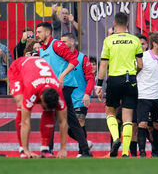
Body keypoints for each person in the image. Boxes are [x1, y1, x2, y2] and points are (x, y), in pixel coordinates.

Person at [36, 21, 93, 157]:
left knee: (51, 113)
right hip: (55, 86)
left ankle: (47, 150)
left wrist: (62, 76)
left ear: (48, 32)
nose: (37, 34)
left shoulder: (56, 44)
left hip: (65, 85)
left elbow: (74, 61)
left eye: (39, 32)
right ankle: (85, 150)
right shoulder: (42, 49)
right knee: (72, 120)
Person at [95, 12, 143, 157]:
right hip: (130, 80)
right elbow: (140, 64)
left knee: (110, 113)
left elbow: (103, 65)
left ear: (114, 24)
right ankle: (125, 152)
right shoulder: (135, 40)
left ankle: (116, 138)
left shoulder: (109, 40)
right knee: (128, 118)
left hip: (114, 80)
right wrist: (134, 73)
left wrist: (99, 85)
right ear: (127, 24)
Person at [8, 56, 68, 158]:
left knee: (48, 111)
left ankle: (45, 149)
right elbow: (25, 122)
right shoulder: (32, 90)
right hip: (17, 69)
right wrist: (27, 150)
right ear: (40, 97)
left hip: (35, 74)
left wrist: (63, 149)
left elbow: (63, 122)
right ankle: (22, 149)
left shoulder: (58, 91)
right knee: (20, 105)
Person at [60, 33, 95, 157]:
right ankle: (85, 144)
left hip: (80, 98)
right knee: (69, 128)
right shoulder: (60, 58)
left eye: (64, 42)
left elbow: (90, 78)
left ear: (72, 42)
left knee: (79, 121)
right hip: (66, 97)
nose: (61, 44)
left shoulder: (82, 58)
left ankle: (82, 151)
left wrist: (87, 94)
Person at [137, 31, 158, 158]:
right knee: (143, 124)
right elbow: (135, 73)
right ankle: (142, 152)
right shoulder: (143, 57)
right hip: (143, 96)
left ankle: (155, 150)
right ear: (154, 44)